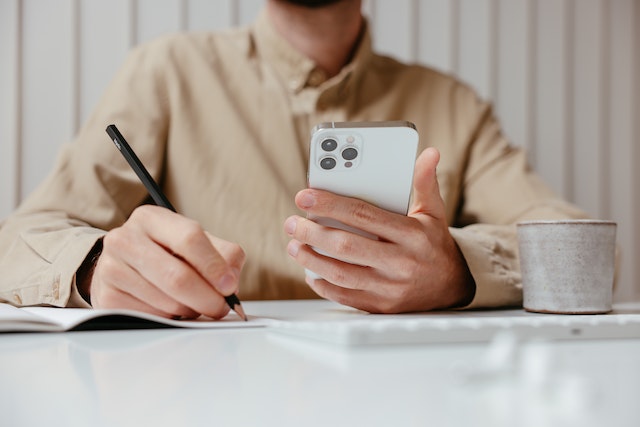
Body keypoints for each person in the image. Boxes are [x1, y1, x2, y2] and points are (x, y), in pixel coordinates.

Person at [0, 0, 587, 319]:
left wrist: (458, 269)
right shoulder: (165, 72)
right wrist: (95, 264)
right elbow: (19, 239)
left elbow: (579, 246)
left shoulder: (454, 103)